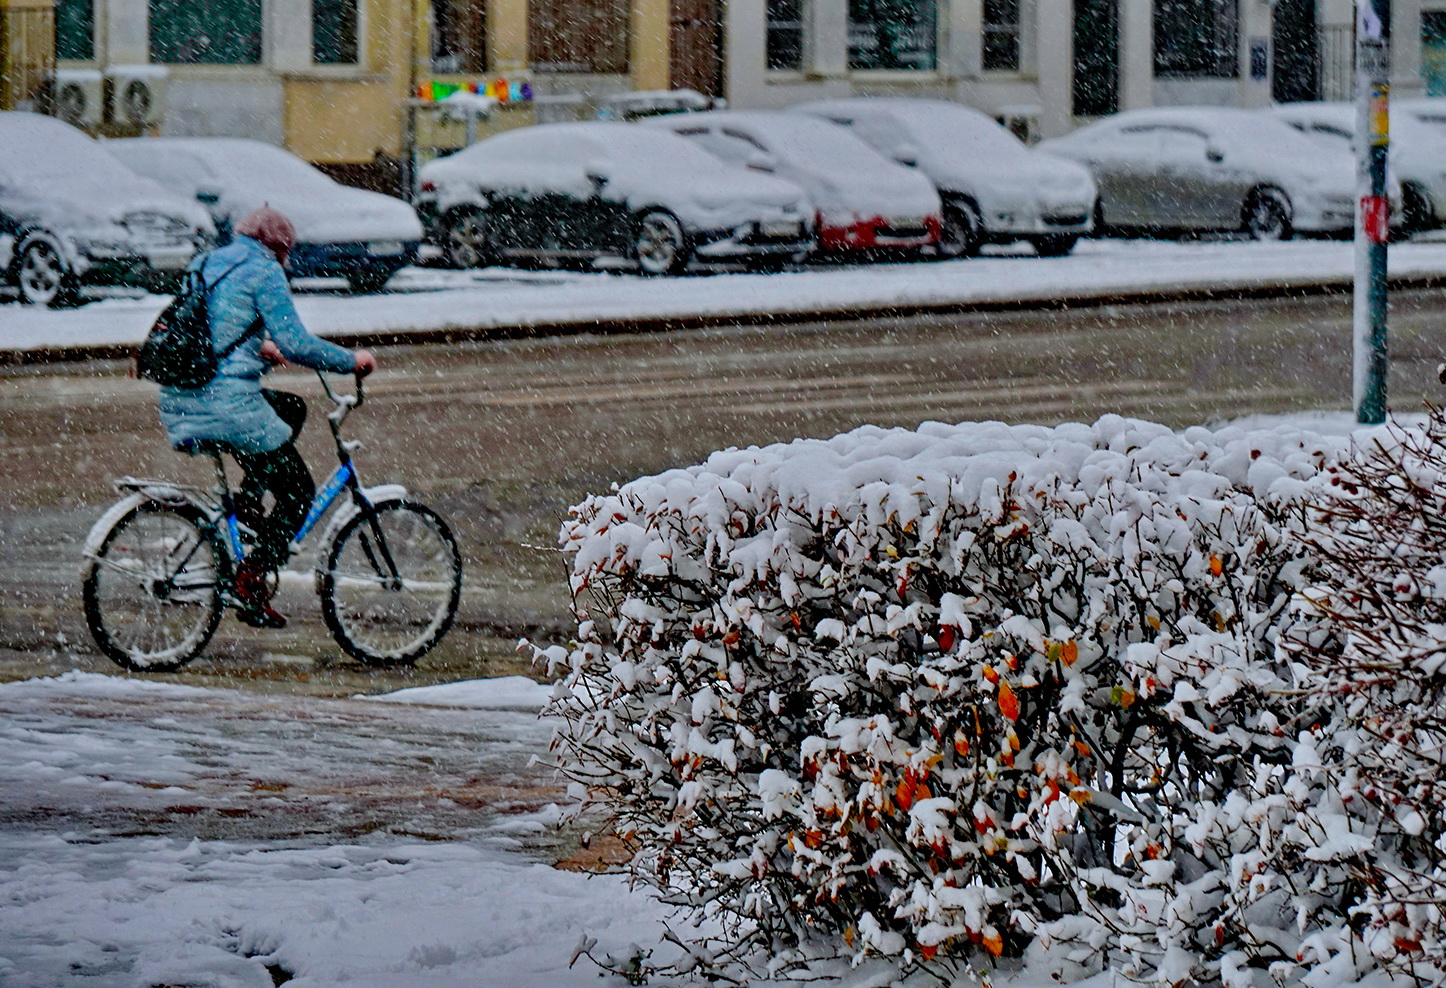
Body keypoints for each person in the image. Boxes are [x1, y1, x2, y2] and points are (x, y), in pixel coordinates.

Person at [157, 206, 376, 629]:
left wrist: (256, 349)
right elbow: (297, 343)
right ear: (278, 247)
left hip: (183, 397)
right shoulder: (265, 270)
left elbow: (202, 327)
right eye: (284, 254)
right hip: (226, 405)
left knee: (292, 408)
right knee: (298, 494)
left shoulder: (207, 261)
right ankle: (250, 579)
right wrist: (351, 361)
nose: (284, 262)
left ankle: (250, 505)